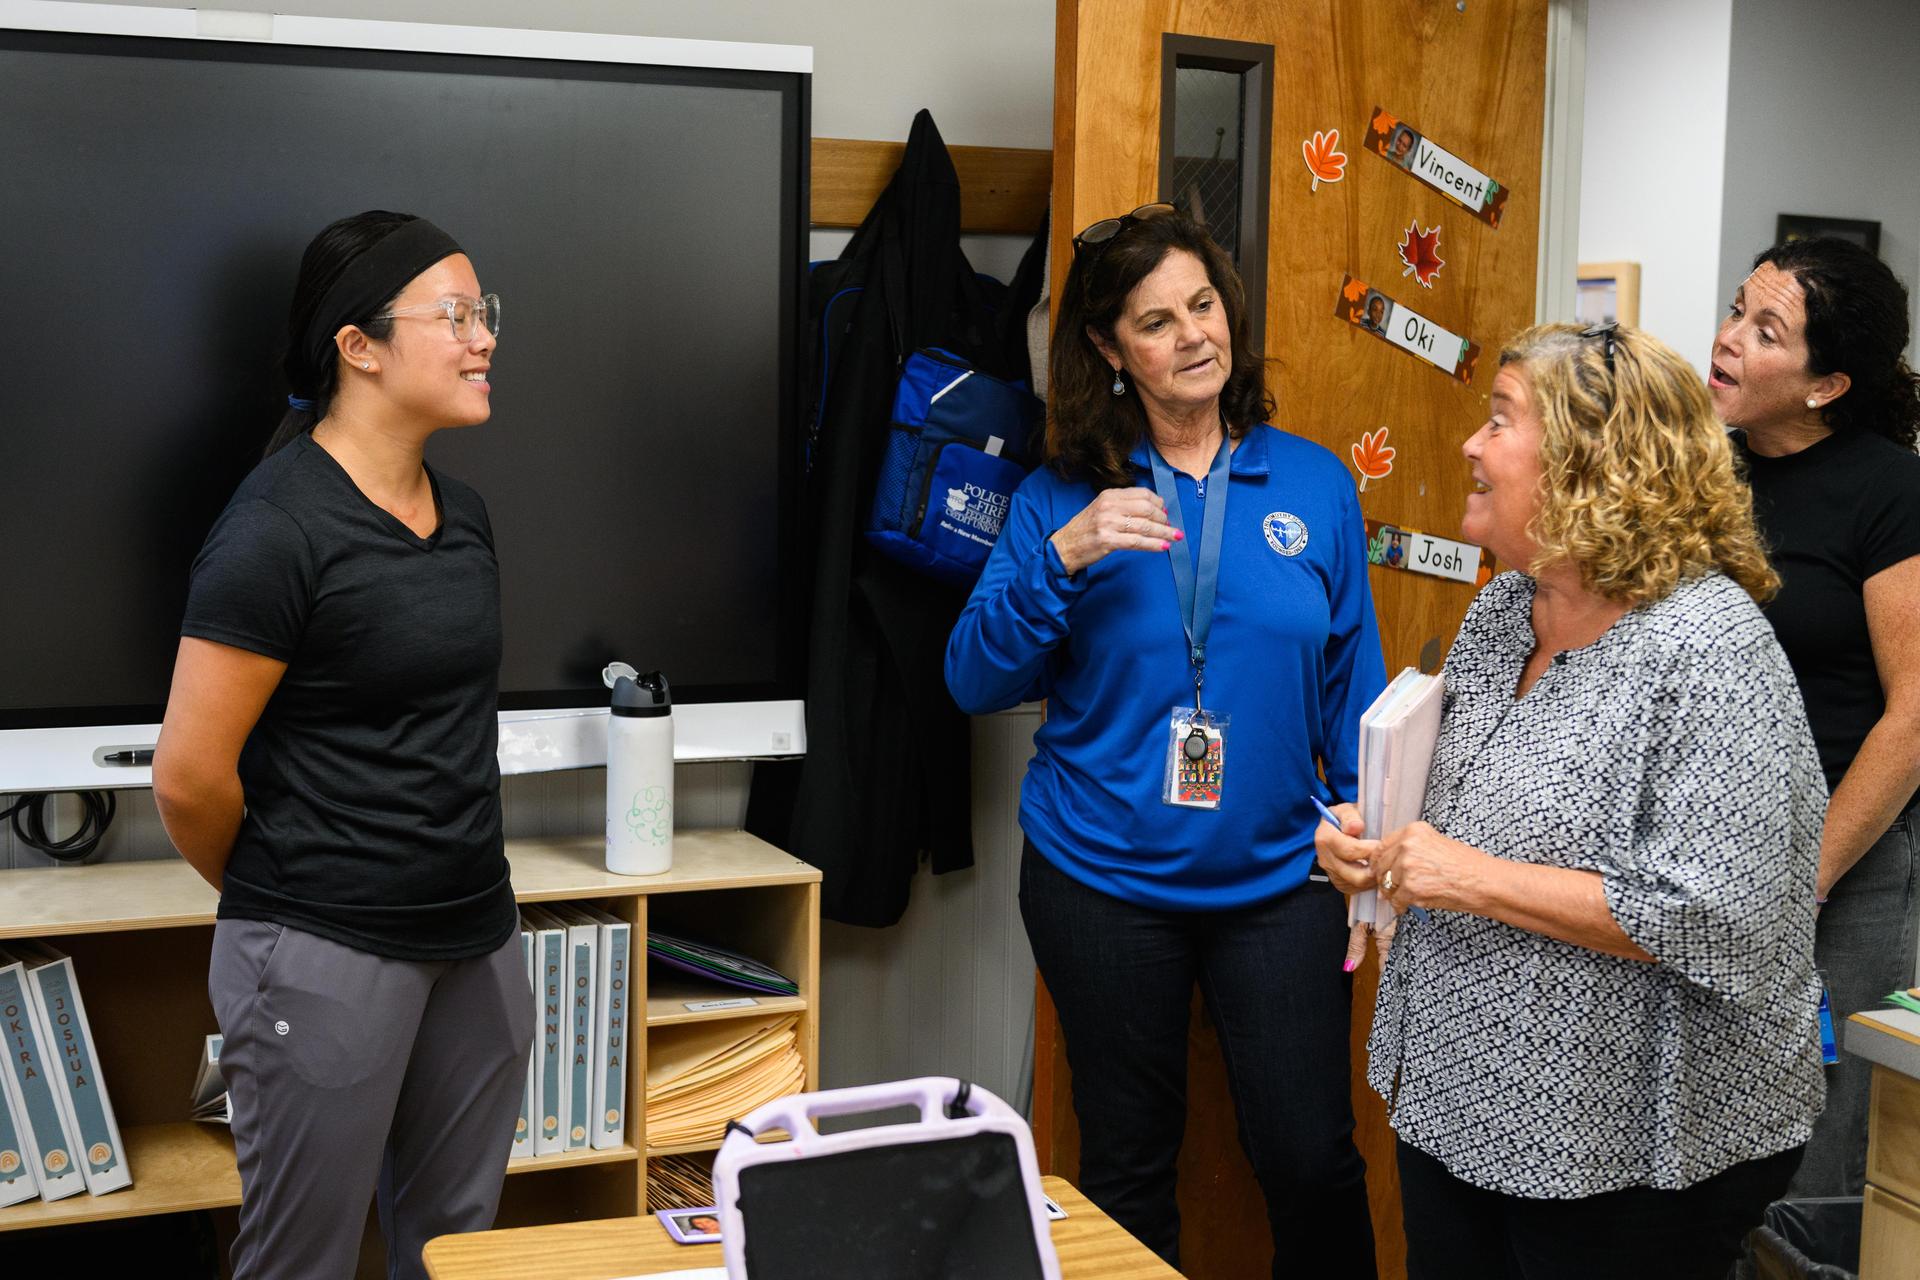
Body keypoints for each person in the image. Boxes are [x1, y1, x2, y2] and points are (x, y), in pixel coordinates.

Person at [1318, 324, 1826, 1280]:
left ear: (1595, 465)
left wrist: (1467, 876)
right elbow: (1458, 816)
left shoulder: (1710, 649)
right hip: (1458, 1103)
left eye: (1500, 420)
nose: (1469, 446)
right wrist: (1370, 836)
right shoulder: (1503, 611)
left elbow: (1723, 920)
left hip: (1628, 1151)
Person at [946, 204, 1385, 1277]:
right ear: (1107, 349)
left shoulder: (1316, 484)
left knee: (1311, 1156)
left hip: (1280, 877)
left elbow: (1353, 689)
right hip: (1100, 877)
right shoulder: (1060, 493)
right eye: (1155, 320)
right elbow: (971, 675)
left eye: (1203, 304)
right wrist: (1064, 552)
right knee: (1130, 1168)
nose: (1193, 334)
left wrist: (1372, 834)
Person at [152, 211, 531, 1280]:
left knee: (454, 1252)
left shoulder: (467, 515)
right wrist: (298, 902)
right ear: (356, 347)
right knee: (302, 1261)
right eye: (455, 314)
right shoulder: (276, 529)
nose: (484, 336)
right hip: (322, 954)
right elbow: (187, 776)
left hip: (476, 940)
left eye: (485, 312)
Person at [1711, 237, 1920, 1197]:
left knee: (1813, 1176)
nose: (1727, 342)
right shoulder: (1701, 475)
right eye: (1735, 312)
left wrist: (1809, 880)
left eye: (1766, 331)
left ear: (1827, 383)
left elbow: (1913, 717)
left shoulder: (1888, 491)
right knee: (1713, 1164)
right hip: (1711, 869)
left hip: (1850, 868)